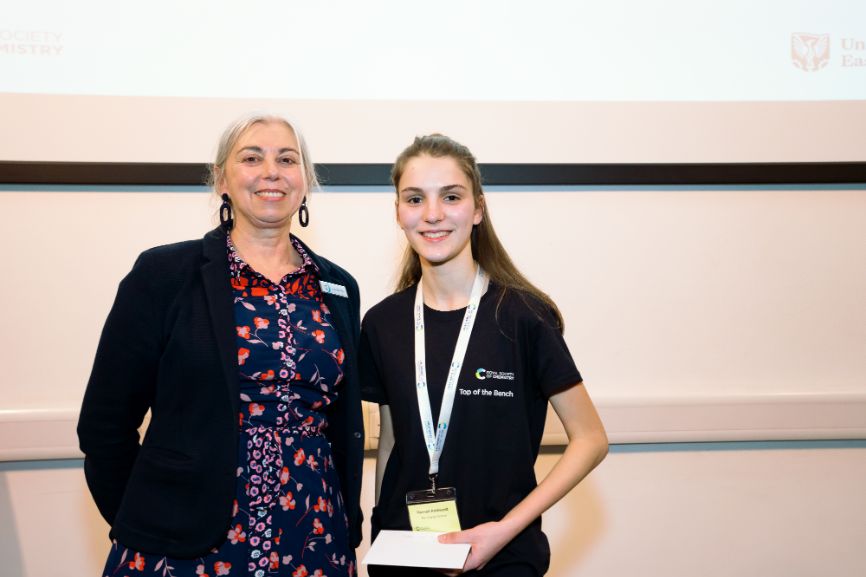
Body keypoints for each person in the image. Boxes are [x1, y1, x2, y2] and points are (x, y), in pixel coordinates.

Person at [78, 113, 363, 577]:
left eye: (287, 159)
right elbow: (104, 427)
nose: (271, 172)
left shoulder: (337, 287)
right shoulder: (164, 275)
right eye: (251, 158)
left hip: (312, 532)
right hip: (183, 545)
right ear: (222, 180)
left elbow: (343, 425)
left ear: (306, 180)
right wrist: (144, 521)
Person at [360, 134, 608, 576]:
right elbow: (393, 440)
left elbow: (591, 439)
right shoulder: (382, 323)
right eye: (415, 199)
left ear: (477, 209)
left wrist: (504, 530)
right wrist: (381, 536)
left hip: (502, 556)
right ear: (398, 212)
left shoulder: (524, 317)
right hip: (407, 557)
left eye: (450, 197)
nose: (432, 214)